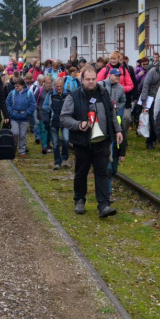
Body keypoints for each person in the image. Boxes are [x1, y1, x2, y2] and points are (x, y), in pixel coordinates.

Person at [60, 65, 123, 218]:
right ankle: (79, 200)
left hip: (102, 141)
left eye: (93, 79)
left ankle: (104, 205)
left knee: (102, 172)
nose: (91, 82)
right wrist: (78, 124)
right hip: (83, 142)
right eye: (88, 79)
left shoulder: (103, 92)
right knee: (81, 172)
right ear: (82, 79)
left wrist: (118, 130)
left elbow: (111, 113)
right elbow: (63, 117)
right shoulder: (73, 96)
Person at [99, 68, 127, 201]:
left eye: (119, 76)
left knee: (112, 167)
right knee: (108, 165)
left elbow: (123, 100)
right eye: (116, 75)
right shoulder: (101, 85)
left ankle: (107, 187)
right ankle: (108, 192)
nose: (118, 77)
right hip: (102, 120)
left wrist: (116, 108)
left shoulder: (120, 88)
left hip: (114, 118)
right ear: (110, 75)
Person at [139, 58, 160, 150]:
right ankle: (155, 142)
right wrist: (144, 100)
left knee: (158, 122)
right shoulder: (152, 72)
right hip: (151, 99)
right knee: (154, 122)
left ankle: (153, 140)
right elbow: (146, 85)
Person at [44, 76, 71, 169]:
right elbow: (45, 108)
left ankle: (64, 159)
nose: (59, 88)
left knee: (66, 139)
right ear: (54, 86)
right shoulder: (51, 94)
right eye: (57, 86)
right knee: (55, 143)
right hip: (53, 121)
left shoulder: (68, 94)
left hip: (66, 121)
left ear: (63, 85)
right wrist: (46, 121)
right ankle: (57, 162)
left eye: (61, 86)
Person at [6, 78, 36, 157]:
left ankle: (22, 150)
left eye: (18, 86)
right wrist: (11, 112)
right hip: (14, 116)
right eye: (15, 86)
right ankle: (14, 146)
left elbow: (33, 105)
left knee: (23, 135)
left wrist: (27, 113)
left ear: (23, 86)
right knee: (15, 133)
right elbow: (7, 103)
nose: (17, 88)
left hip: (24, 117)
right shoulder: (12, 93)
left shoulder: (29, 94)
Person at [34, 75, 51, 154]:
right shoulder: (40, 90)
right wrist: (37, 107)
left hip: (50, 113)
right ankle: (44, 146)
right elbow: (34, 100)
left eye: (50, 83)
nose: (48, 85)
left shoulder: (53, 91)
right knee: (43, 129)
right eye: (47, 83)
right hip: (41, 112)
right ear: (44, 83)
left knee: (50, 130)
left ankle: (48, 143)